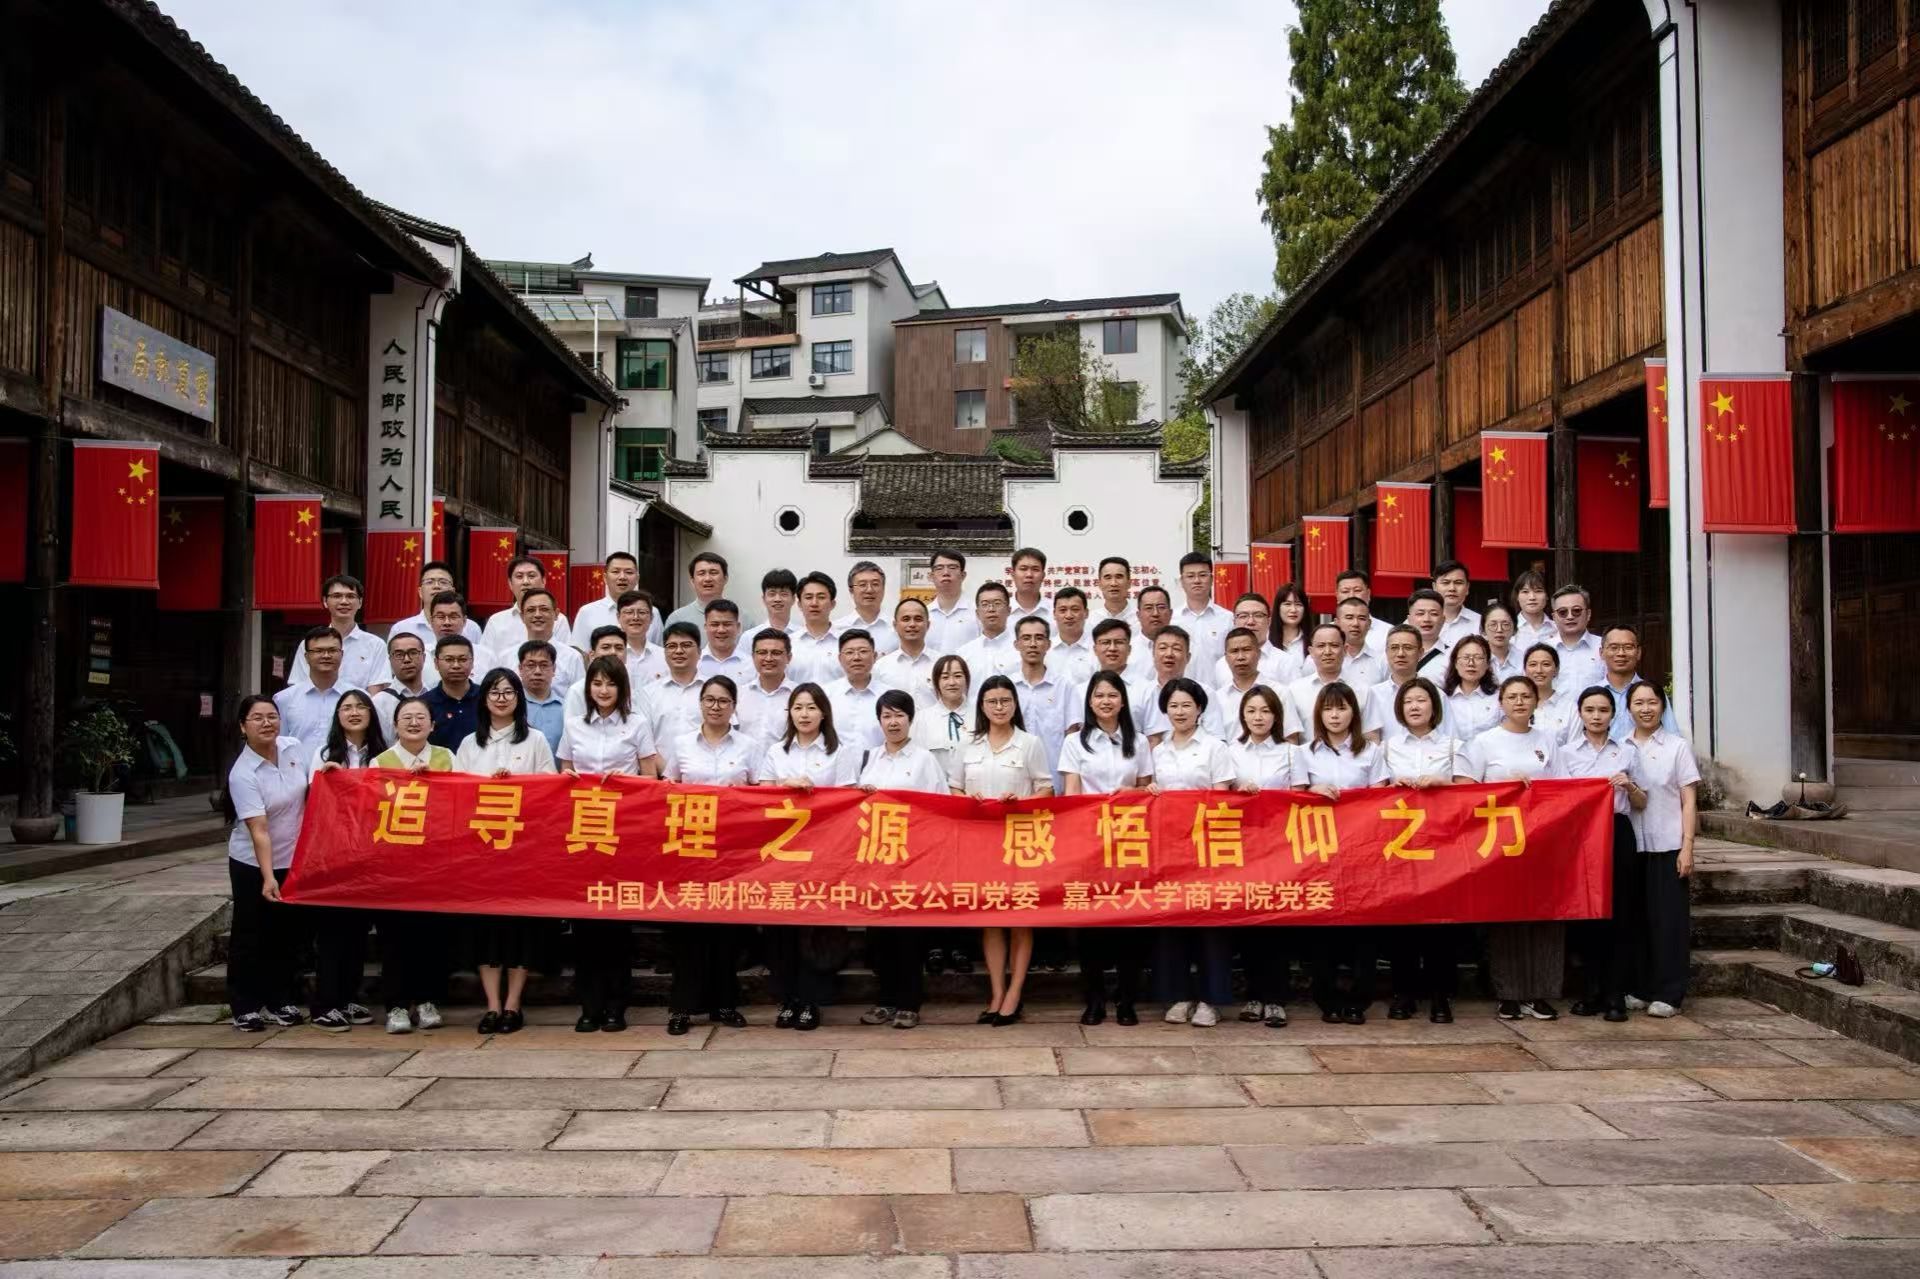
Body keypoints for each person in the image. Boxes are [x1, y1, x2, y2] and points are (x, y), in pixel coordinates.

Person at [557, 656, 660, 1034]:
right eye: (597, 683)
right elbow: (563, 771)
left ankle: (617, 1006)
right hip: (584, 832)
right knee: (585, 925)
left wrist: (626, 781)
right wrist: (569, 778)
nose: (603, 690)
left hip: (623, 833)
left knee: (616, 925)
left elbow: (651, 779)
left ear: (622, 688)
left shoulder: (637, 724)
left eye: (610, 683)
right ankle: (590, 1006)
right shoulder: (574, 724)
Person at [662, 675, 765, 1036]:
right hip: (690, 848)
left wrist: (745, 793)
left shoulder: (749, 746)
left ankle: (725, 1002)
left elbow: (762, 791)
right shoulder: (681, 744)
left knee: (726, 930)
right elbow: (667, 788)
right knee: (688, 929)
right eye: (709, 700)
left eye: (723, 701)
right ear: (700, 703)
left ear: (734, 707)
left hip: (732, 851)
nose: (715, 707)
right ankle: (682, 1007)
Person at [455, 668, 557, 1035]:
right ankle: (492, 1006)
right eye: (494, 692)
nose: (501, 698)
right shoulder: (470, 743)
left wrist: (518, 785)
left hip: (522, 850)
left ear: (519, 698)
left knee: (519, 929)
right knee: (486, 930)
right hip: (481, 852)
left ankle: (513, 1004)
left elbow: (550, 790)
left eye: (509, 692)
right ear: (484, 699)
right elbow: (456, 794)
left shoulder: (535, 739)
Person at [1460, 675, 1565, 1021]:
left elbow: (1565, 789)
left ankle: (1540, 991)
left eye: (1526, 696)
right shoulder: (1484, 742)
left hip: (1542, 841)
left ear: (1536, 701)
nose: (1519, 702)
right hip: (1499, 843)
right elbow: (1464, 791)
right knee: (1505, 917)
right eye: (1512, 696)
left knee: (1544, 917)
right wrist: (1504, 787)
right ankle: (1507, 993)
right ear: (1501, 703)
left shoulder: (1547, 740)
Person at [952, 675, 1053, 1025]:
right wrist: (969, 800)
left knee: (1020, 917)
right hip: (980, 843)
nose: (999, 707)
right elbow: (953, 789)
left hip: (1020, 842)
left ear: (1015, 704)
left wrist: (1021, 802)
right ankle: (996, 992)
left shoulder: (1029, 743)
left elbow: (1046, 789)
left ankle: (1015, 993)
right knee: (991, 918)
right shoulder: (968, 745)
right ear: (981, 706)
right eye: (992, 701)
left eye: (1005, 701)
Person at [763, 684, 860, 1033]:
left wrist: (816, 794)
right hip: (781, 854)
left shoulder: (839, 752)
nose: (804, 714)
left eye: (811, 707)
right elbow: (759, 794)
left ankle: (811, 1001)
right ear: (789, 712)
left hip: (823, 852)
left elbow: (848, 800)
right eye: (798, 707)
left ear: (823, 713)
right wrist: (784, 785)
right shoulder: (776, 751)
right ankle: (786, 998)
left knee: (815, 928)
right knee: (781, 930)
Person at [1058, 670, 1152, 1026]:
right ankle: (1094, 999)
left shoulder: (1139, 742)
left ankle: (1126, 1000)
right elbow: (1071, 793)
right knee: (1091, 925)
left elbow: (1148, 790)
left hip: (1129, 841)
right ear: (1089, 702)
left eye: (1112, 695)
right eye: (1099, 695)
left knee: (1128, 923)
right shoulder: (1075, 742)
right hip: (1089, 842)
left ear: (1123, 701)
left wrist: (1131, 794)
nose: (1106, 701)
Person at [857, 690, 953, 1029]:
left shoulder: (925, 760)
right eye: (886, 715)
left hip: (913, 860)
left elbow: (940, 807)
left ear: (910, 720)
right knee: (878, 935)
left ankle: (909, 1003)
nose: (893, 722)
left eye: (899, 715)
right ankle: (884, 1000)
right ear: (879, 721)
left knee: (908, 935)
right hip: (876, 860)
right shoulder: (870, 758)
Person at [1147, 677, 1237, 1026]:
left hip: (1209, 847)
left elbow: (1222, 797)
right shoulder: (1158, 751)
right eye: (1173, 706)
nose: (1180, 711)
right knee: (1173, 922)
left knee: (1211, 925)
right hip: (1170, 849)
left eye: (1187, 705)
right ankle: (1179, 995)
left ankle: (1211, 1000)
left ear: (1199, 709)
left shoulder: (1215, 748)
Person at [224, 696, 311, 1032]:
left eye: (272, 716)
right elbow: (258, 830)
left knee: (285, 934)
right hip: (252, 865)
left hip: (293, 859)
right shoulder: (243, 773)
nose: (266, 723)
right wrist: (267, 877)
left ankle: (279, 1000)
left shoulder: (293, 748)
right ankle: (244, 1006)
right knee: (250, 933)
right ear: (242, 726)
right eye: (257, 717)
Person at [1560, 685, 1646, 1023]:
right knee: (1587, 913)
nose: (1596, 716)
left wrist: (1629, 786)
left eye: (1603, 710)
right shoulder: (1566, 753)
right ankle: (1591, 991)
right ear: (1580, 713)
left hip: (1617, 829)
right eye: (1590, 710)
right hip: (1580, 836)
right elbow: (1559, 800)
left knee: (1619, 912)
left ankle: (1616, 994)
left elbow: (1642, 802)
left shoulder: (1626, 751)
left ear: (1613, 714)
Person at [1380, 678, 1462, 1024]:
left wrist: (1443, 784)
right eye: (1408, 701)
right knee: (1402, 923)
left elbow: (1470, 791)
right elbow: (1374, 792)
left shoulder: (1453, 746)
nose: (1415, 706)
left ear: (1434, 706)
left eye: (1421, 700)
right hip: (1399, 846)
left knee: (1440, 924)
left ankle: (1440, 995)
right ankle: (1404, 993)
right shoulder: (1387, 748)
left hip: (1442, 845)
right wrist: (1391, 787)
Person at [1302, 682, 1385, 1023]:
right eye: (1328, 709)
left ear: (1354, 712)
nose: (1335, 715)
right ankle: (1327, 999)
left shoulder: (1371, 752)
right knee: (1322, 927)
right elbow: (1293, 796)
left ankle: (1359, 1000)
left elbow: (1380, 797)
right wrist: (1312, 790)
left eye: (1342, 708)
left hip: (1361, 850)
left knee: (1362, 928)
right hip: (1319, 852)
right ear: (1319, 714)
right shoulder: (1304, 753)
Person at [370, 696, 453, 1034]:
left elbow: (458, 801)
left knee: (431, 937)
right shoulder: (381, 761)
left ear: (432, 725)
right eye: (407, 717)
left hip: (435, 862)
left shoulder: (446, 757)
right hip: (395, 864)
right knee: (395, 936)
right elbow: (372, 808)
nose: (414, 723)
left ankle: (428, 1000)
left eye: (421, 717)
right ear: (395, 725)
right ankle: (396, 1006)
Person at [303, 690, 384, 1031]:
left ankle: (348, 997)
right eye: (346, 707)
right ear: (337, 716)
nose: (354, 712)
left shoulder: (381, 755)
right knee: (332, 931)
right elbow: (315, 798)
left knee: (357, 932)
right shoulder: (324, 754)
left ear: (371, 714)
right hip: (334, 854)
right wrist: (328, 777)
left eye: (361, 706)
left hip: (369, 857)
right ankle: (325, 1004)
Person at [1227, 684, 1307, 1029]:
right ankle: (1254, 995)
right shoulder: (1231, 751)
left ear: (1277, 716)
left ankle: (1276, 999)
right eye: (1251, 711)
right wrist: (1237, 792)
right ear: (1242, 716)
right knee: (1249, 925)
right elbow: (1220, 793)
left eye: (1265, 711)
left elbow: (1301, 798)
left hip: (1280, 848)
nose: (1258, 718)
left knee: (1277, 924)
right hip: (1242, 848)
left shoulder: (1292, 753)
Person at [1624, 681, 1698, 1018]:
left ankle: (1670, 992)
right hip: (1632, 845)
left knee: (1669, 921)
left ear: (1662, 707)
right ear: (1628, 709)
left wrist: (1688, 846)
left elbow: (1688, 800)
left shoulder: (1677, 747)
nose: (1646, 709)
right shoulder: (1620, 746)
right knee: (1636, 919)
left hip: (1667, 844)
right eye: (1638, 703)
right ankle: (1640, 987)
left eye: (1652, 702)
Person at [910, 653, 977, 981]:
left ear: (967, 680)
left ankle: (962, 945)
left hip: (971, 809)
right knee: (935, 878)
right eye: (945, 676)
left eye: (958, 675)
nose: (952, 681)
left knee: (966, 878)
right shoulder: (922, 719)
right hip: (934, 811)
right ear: (935, 683)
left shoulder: (979, 714)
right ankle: (935, 944)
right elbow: (916, 760)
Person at [290, 574, 391, 691]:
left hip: (360, 703)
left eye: (350, 596)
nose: (344, 601)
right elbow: (298, 688)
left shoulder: (376, 645)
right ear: (325, 601)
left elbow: (375, 693)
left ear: (360, 602)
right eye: (337, 596)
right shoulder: (309, 644)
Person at [1064, 619, 1160, 739]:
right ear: (1095, 649)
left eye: (1119, 642)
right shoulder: (1079, 691)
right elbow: (1072, 734)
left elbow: (1154, 738)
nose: (1112, 648)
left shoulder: (1147, 690)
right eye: (1105, 642)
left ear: (1129, 649)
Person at [275, 627, 358, 750]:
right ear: (306, 656)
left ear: (342, 654)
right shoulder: (284, 699)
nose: (326, 655)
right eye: (318, 651)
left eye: (332, 650)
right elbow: (278, 743)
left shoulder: (358, 698)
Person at [480, 555, 575, 662]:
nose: (525, 582)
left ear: (543, 581)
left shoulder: (559, 620)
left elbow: (564, 659)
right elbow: (485, 660)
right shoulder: (496, 621)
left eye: (531, 576)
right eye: (519, 576)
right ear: (510, 583)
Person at [488, 588, 581, 695]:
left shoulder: (572, 658)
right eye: (531, 610)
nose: (537, 615)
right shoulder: (506, 658)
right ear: (522, 616)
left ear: (556, 614)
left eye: (544, 609)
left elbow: (579, 698)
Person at [640, 623, 707, 768]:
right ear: (664, 653)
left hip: (704, 775)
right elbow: (644, 741)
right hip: (661, 776)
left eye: (686, 645)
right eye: (671, 646)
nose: (679, 651)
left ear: (699, 651)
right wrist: (668, 774)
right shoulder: (649, 693)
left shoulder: (713, 690)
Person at [1597, 626, 1679, 742]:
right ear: (1601, 653)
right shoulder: (1591, 694)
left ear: (1639, 652)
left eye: (1628, 647)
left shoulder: (1653, 693)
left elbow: (1673, 738)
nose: (1621, 653)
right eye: (1614, 647)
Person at [1215, 628, 1298, 742]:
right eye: (1234, 651)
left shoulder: (1279, 692)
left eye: (1246, 650)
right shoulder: (1218, 698)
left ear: (1258, 654)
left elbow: (1291, 738)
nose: (1241, 657)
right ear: (1226, 657)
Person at [1010, 616, 1067, 771]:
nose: (1033, 644)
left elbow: (1072, 735)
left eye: (1039, 638)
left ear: (1048, 644)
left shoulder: (1064, 687)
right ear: (1016, 644)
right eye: (1026, 638)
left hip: (1054, 772)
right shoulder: (1007, 687)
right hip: (1014, 772)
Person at [391, 562, 483, 654]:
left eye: (443, 582)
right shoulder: (401, 628)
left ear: (453, 591)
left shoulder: (472, 628)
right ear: (420, 592)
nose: (436, 586)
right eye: (429, 582)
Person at [1212, 593, 1296, 687]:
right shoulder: (1221, 665)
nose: (1250, 622)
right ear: (1234, 622)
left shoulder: (1285, 662)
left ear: (1269, 621)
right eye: (1243, 616)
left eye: (1258, 615)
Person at [1172, 552, 1235, 673]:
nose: (1197, 581)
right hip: (1180, 685)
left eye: (1202, 575)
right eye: (1190, 576)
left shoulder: (1228, 619)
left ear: (1212, 579)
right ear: (1182, 581)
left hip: (1217, 685)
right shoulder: (1172, 619)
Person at [573, 551, 654, 644]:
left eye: (629, 572)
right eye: (616, 572)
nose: (622, 577)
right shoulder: (587, 612)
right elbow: (579, 650)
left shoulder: (651, 612)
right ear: (605, 578)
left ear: (637, 578)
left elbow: (658, 649)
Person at [1286, 623, 1349, 741]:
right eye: (1321, 646)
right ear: (1311, 651)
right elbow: (1292, 737)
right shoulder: (1295, 690)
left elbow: (1370, 736)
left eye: (1334, 645)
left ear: (1345, 649)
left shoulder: (1363, 690)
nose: (1327, 651)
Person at [825, 629, 885, 753]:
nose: (856, 657)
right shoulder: (825, 694)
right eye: (849, 652)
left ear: (874, 657)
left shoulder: (889, 695)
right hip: (836, 763)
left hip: (879, 763)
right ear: (840, 658)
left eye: (863, 651)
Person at [1363, 625, 1424, 744]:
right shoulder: (1375, 694)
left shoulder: (1435, 694)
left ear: (1420, 653)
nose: (1400, 653)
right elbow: (1371, 738)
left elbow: (1446, 738)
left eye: (1408, 647)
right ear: (1386, 652)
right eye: (1394, 648)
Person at [874, 597, 940, 706]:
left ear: (928, 625)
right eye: (906, 619)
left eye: (918, 619)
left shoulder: (941, 664)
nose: (912, 624)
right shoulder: (881, 667)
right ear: (895, 625)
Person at [736, 628, 798, 744]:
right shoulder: (739, 695)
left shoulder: (799, 696)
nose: (768, 658)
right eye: (762, 652)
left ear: (789, 658)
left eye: (776, 653)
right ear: (753, 657)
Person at [423, 635, 481, 749]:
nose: (456, 665)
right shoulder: (423, 704)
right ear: (436, 663)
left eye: (462, 659)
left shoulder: (488, 698)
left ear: (472, 662)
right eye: (449, 659)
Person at [1544, 584, 1604, 693]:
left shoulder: (1604, 647)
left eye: (1576, 610)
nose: (1570, 616)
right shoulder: (1543, 650)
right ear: (1554, 617)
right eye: (1563, 612)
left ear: (1588, 614)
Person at [1442, 635, 1502, 742]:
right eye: (1466, 658)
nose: (1471, 663)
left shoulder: (1499, 697)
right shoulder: (1443, 698)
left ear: (1487, 664)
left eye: (1478, 658)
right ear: (1455, 663)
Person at [789, 571, 844, 686]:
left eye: (821, 597)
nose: (814, 603)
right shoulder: (788, 643)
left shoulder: (846, 643)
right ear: (799, 604)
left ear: (832, 604)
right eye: (808, 597)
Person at [833, 560, 900, 654]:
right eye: (862, 585)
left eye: (875, 584)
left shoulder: (897, 629)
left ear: (883, 589)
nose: (869, 590)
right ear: (851, 590)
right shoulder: (836, 629)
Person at [956, 581, 1019, 679]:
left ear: (1009, 610)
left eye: (997, 603)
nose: (991, 609)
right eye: (985, 604)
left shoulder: (1021, 650)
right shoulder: (964, 653)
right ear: (977, 613)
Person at [416, 592, 476, 690]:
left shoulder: (485, 656)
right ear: (431, 621)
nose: (447, 622)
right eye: (441, 617)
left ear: (464, 621)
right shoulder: (418, 656)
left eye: (453, 617)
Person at [1522, 643, 1580, 745]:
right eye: (1533, 664)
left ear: (1556, 670)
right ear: (1525, 670)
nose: (1539, 670)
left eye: (1546, 664)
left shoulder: (1570, 708)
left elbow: (1574, 749)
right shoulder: (1516, 704)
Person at [926, 547, 982, 651]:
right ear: (931, 576)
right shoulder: (924, 615)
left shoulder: (978, 612)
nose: (946, 572)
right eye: (939, 568)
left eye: (952, 567)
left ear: (963, 575)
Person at [518, 641, 568, 756]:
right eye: (531, 665)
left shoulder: (566, 707)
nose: (537, 671)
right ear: (520, 668)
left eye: (544, 665)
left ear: (554, 669)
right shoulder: (511, 705)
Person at [372, 632, 429, 732]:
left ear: (424, 657)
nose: (407, 659)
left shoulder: (435, 696)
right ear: (390, 660)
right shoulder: (379, 703)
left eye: (413, 653)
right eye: (399, 655)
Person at [617, 590, 669, 689]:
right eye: (629, 612)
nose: (635, 617)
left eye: (642, 612)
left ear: (652, 618)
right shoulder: (611, 655)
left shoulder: (665, 656)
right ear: (618, 617)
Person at [1334, 570, 1395, 656]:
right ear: (1337, 596)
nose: (1351, 595)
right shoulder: (1324, 633)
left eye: (1357, 590)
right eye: (1345, 591)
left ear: (1368, 594)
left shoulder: (1388, 632)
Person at [666, 551, 730, 631]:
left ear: (725, 578)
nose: (707, 579)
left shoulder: (741, 617)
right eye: (701, 573)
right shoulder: (677, 619)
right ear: (692, 581)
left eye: (713, 573)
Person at [1045, 585, 1096, 686]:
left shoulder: (1097, 649)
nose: (1069, 616)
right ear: (1054, 614)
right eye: (1063, 610)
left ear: (1086, 613)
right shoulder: (1045, 650)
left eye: (1075, 609)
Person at [1333, 597, 1388, 687]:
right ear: (1337, 623)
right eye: (1349, 618)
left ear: (1369, 624)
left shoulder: (1382, 662)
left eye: (1361, 618)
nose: (1355, 624)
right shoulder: (1320, 660)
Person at [1431, 559, 1482, 650]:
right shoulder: (1418, 622)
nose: (1452, 588)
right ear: (1434, 587)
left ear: (1467, 588)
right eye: (1446, 583)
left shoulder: (1480, 623)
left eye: (1458, 583)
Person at [1127, 586, 1174, 680]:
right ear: (1138, 615)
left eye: (1161, 607)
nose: (1155, 613)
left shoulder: (1183, 649)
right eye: (1149, 608)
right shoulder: (1128, 651)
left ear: (1170, 613)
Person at [697, 599, 750, 681]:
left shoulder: (751, 665)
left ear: (738, 627)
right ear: (705, 627)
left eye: (727, 624)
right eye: (715, 624)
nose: (721, 630)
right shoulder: (694, 664)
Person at [1404, 588, 1451, 672]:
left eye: (1434, 614)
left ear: (1443, 619)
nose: (1427, 619)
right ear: (1409, 619)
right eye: (1420, 613)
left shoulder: (1453, 656)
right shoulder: (1394, 654)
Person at [1271, 583, 1312, 671]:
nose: (1293, 610)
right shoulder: (1266, 639)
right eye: (1287, 604)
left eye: (1298, 604)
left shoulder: (1314, 640)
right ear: (1278, 607)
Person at [1007, 546, 1053, 625]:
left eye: (1035, 569)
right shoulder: (1001, 612)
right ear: (1013, 574)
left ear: (1043, 575)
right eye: (1023, 569)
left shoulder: (1056, 610)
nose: (1029, 574)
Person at [1482, 602, 1522, 683]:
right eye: (1493, 624)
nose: (1499, 630)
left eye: (1505, 624)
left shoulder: (1523, 659)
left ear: (1515, 630)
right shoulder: (1476, 659)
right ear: (1483, 630)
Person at [1511, 569, 1553, 647]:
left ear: (1547, 595)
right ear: (1517, 596)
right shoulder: (1509, 629)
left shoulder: (1558, 629)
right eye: (1525, 592)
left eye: (1538, 591)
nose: (1532, 597)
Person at [760, 567, 802, 637]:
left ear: (793, 599)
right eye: (772, 594)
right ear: (764, 599)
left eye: (784, 594)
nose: (777, 599)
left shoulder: (802, 635)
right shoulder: (749, 637)